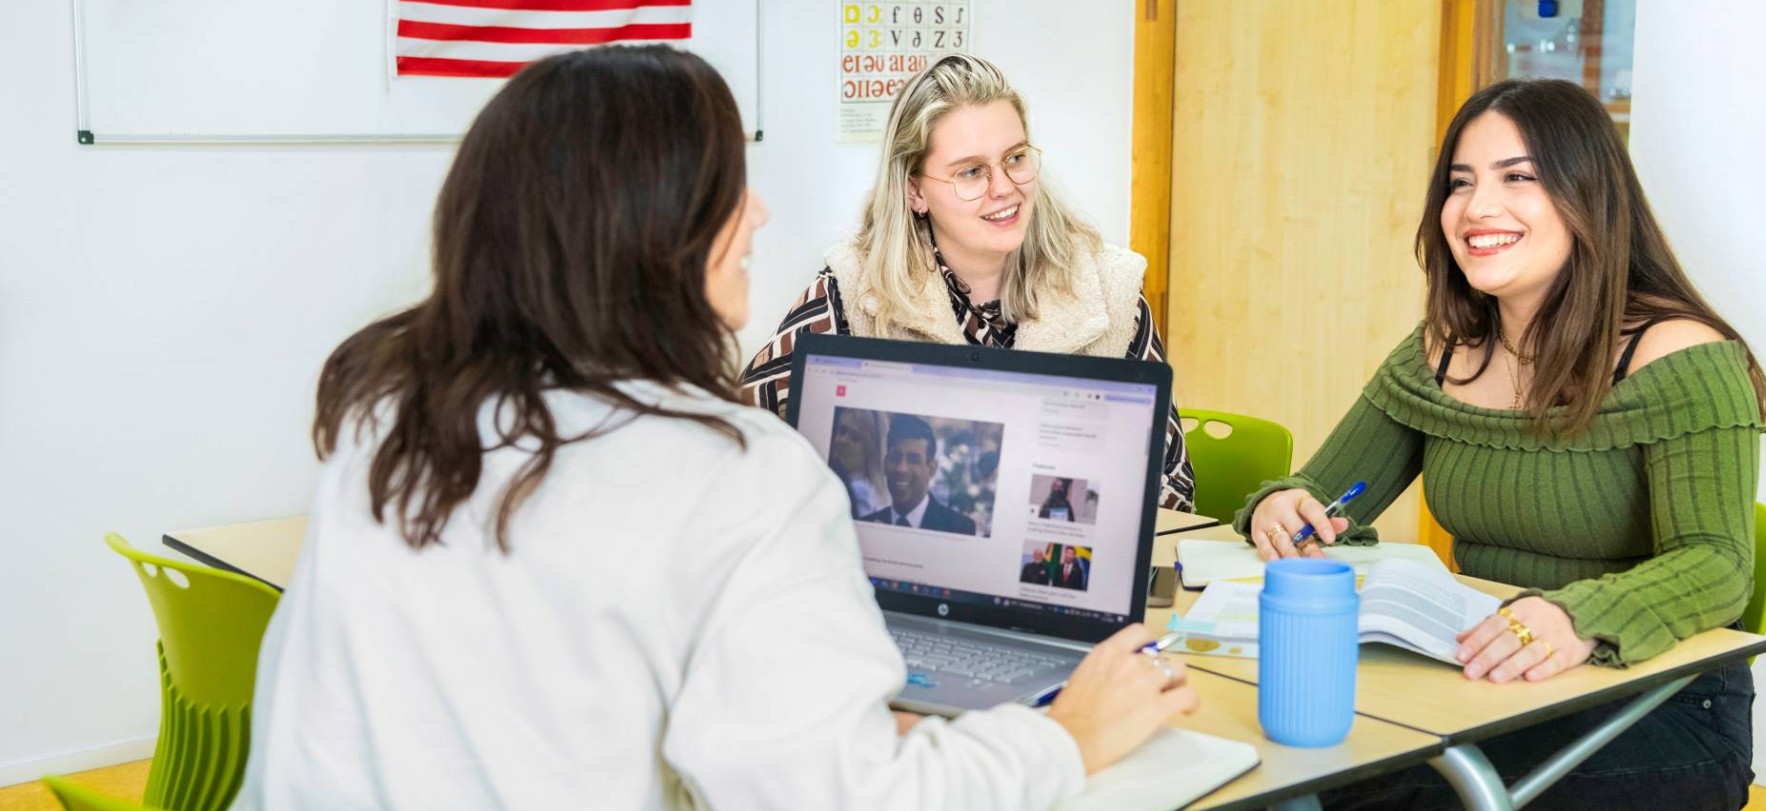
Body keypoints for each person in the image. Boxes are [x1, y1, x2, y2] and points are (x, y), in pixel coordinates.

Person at [232, 45, 1198, 811]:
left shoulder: (389, 414)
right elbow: (849, 799)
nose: (760, 210)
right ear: (647, 233)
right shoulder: (734, 474)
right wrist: (1065, 736)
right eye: (728, 186)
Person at [1239, 79, 1766, 810]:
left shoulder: (1677, 353)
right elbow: (1324, 492)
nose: (1477, 208)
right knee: (1284, 765)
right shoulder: (1443, 350)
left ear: (1590, 196)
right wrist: (1284, 503)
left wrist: (1575, 616)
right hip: (1486, 675)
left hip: (1657, 701)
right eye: (1461, 183)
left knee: (1371, 792)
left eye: (1518, 177)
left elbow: (1717, 564)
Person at [739, 53, 1197, 512]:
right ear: (915, 190)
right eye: (971, 172)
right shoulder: (855, 288)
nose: (1004, 188)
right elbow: (737, 436)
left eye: (1015, 158)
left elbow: (1173, 488)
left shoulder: (1109, 288)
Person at [861, 415, 980, 535]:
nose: (902, 469)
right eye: (895, 457)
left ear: (931, 469)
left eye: (913, 460)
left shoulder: (958, 528)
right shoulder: (866, 526)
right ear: (885, 464)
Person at [829, 408, 890, 517]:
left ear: (871, 450)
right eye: (842, 431)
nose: (843, 440)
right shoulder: (879, 494)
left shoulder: (857, 491)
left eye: (855, 437)